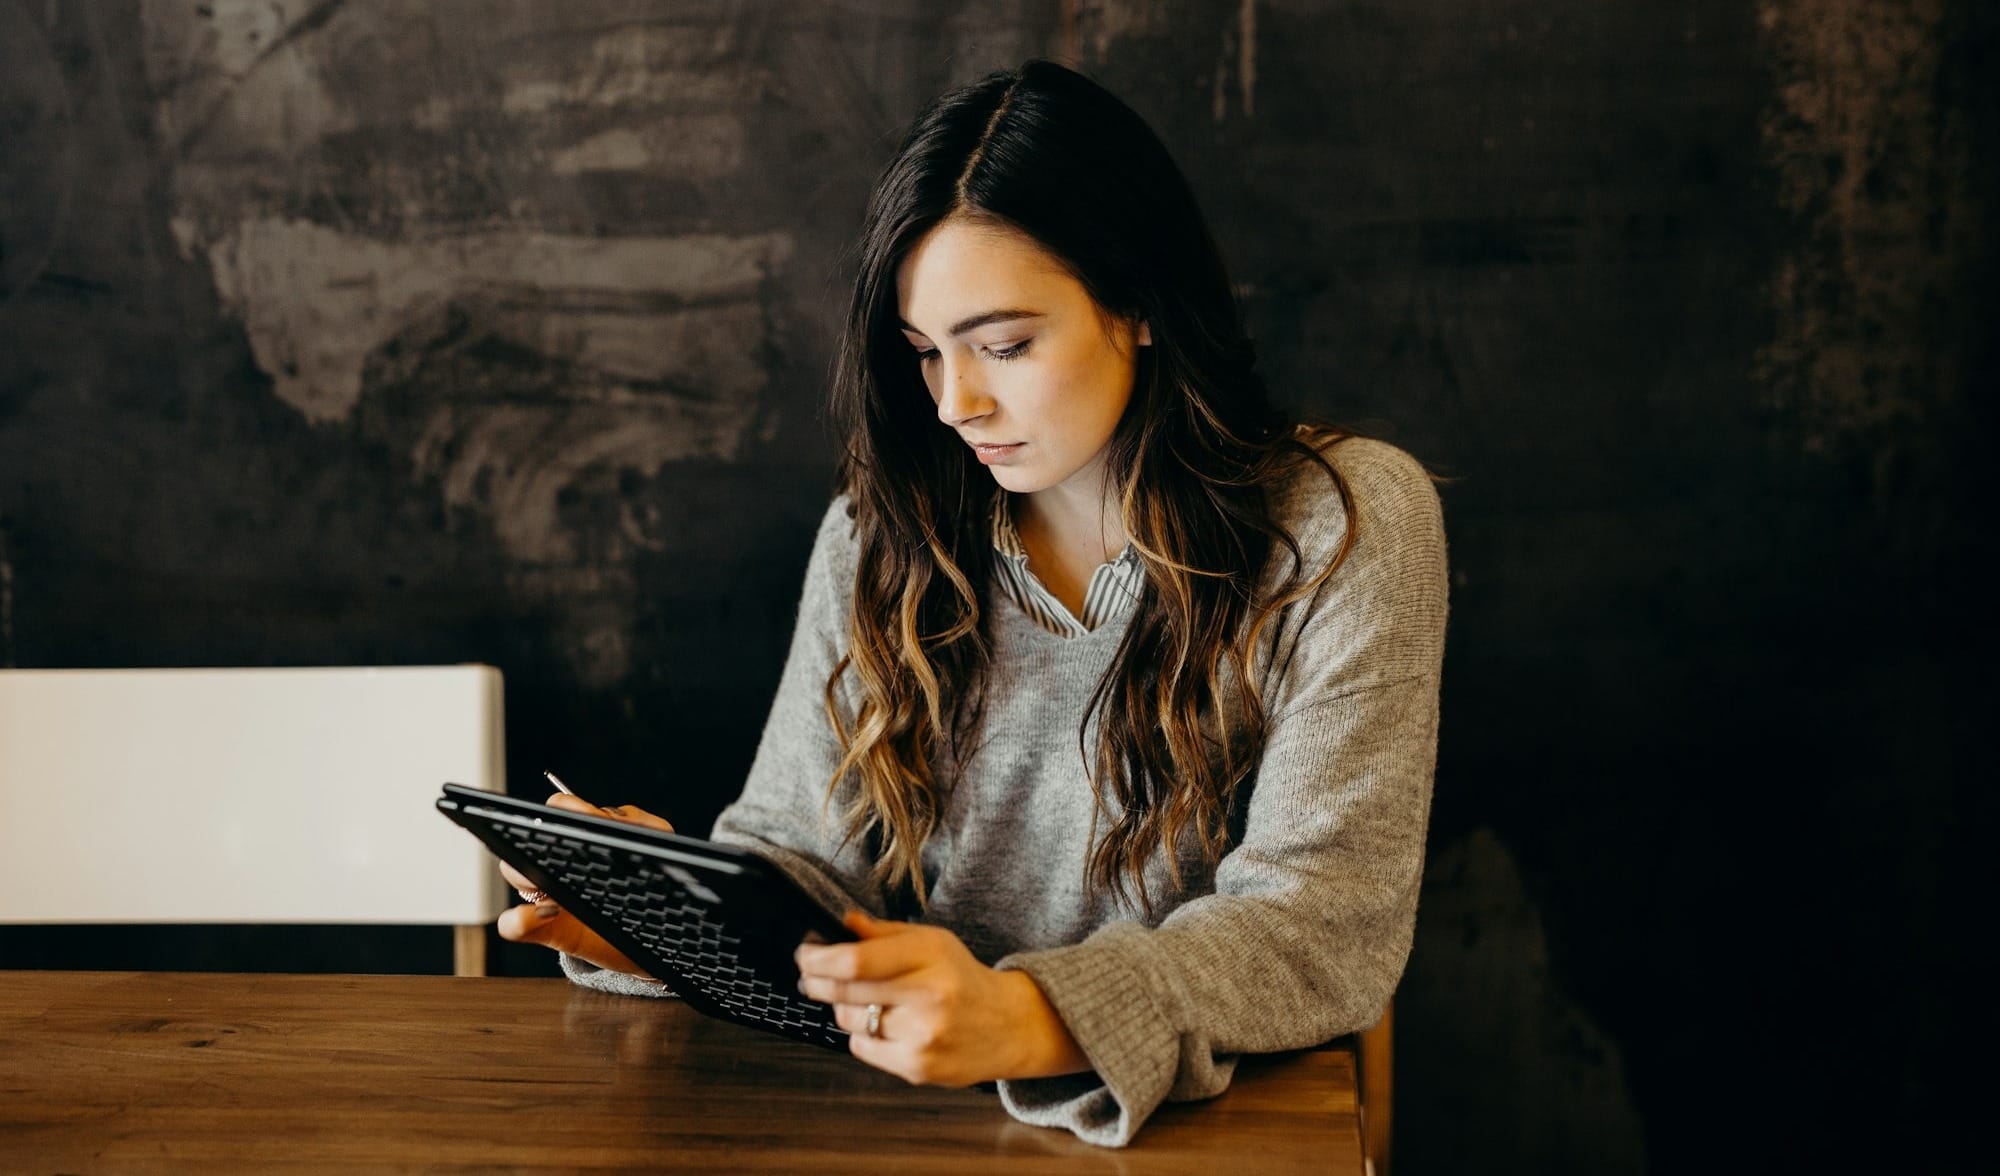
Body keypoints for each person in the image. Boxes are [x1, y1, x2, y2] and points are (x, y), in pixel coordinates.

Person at [497, 58, 1447, 1148]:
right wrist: (662, 921)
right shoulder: (876, 534)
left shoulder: (1342, 525)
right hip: (902, 1130)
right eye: (923, 355)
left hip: (1211, 1136)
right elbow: (809, 866)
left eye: (1004, 345)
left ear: (1138, 305)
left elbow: (1322, 922)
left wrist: (1027, 1016)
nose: (955, 404)